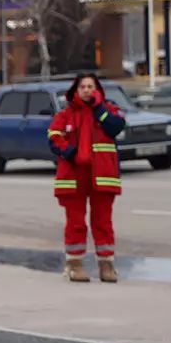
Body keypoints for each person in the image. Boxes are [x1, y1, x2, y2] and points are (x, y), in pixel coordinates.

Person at [47, 73, 126, 283]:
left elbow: (116, 127)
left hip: (102, 175)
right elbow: (53, 137)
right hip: (74, 174)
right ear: (76, 90)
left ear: (97, 89)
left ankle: (107, 266)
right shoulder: (66, 115)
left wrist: (99, 110)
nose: (87, 90)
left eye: (91, 86)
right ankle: (74, 265)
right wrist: (68, 151)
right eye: (83, 86)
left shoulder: (108, 111)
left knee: (103, 222)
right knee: (76, 222)